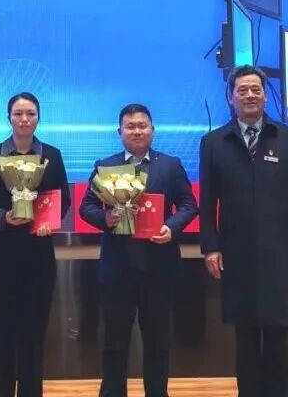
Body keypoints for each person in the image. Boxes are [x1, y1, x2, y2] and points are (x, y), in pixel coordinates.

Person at [200, 66, 288, 397]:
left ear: (265, 96)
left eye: (256, 90)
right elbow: (207, 202)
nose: (250, 95)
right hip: (236, 256)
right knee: (246, 337)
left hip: (281, 254)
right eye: (242, 90)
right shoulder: (213, 143)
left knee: (279, 337)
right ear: (230, 97)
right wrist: (210, 247)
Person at [79, 103, 197, 397]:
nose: (136, 131)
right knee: (114, 344)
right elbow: (86, 207)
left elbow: (188, 205)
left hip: (159, 269)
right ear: (119, 132)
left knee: (158, 343)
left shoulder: (170, 165)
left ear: (152, 130)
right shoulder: (105, 166)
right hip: (117, 271)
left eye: (142, 126)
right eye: (130, 126)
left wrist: (171, 226)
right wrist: (105, 218)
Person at [0, 93, 71, 397]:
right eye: (18, 114)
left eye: (30, 113)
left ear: (38, 117)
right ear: (8, 118)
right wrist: (2, 218)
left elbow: (63, 200)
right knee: (0, 336)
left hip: (39, 256)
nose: (24, 119)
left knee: (33, 337)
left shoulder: (52, 155)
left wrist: (48, 220)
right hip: (2, 257)